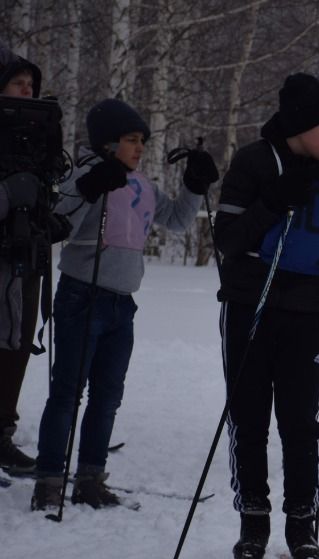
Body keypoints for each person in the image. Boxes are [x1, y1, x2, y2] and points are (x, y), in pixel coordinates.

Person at [214, 73, 319, 559]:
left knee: (302, 422)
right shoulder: (257, 161)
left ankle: (303, 524)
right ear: (302, 128)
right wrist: (275, 199)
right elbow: (229, 238)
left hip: (307, 309)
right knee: (250, 415)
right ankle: (253, 521)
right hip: (251, 306)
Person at [29, 98, 213, 510]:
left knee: (108, 395)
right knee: (67, 393)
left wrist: (194, 186)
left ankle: (90, 478)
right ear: (108, 143)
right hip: (81, 296)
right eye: (132, 140)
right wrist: (90, 187)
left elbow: (178, 221)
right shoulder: (84, 177)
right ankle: (49, 481)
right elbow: (58, 219)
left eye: (142, 141)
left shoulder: (141, 185)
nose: (140, 148)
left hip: (122, 304)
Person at [0, 46, 57, 476]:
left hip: (27, 255)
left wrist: (47, 219)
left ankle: (2, 432)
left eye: (31, 85)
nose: (27, 90)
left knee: (17, 343)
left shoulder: (38, 140)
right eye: (18, 83)